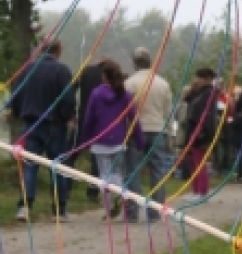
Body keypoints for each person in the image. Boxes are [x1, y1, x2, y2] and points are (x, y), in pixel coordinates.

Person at [8, 39, 77, 222]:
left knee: (30, 165)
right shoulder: (62, 70)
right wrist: (67, 116)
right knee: (57, 167)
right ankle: (59, 210)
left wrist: (18, 112)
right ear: (58, 50)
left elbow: (16, 94)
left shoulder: (27, 69)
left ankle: (25, 207)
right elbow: (68, 98)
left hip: (31, 123)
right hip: (55, 125)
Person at [81, 58, 145, 218]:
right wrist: (140, 140)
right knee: (117, 173)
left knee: (104, 175)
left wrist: (84, 140)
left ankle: (109, 207)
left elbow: (89, 118)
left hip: (100, 142)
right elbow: (134, 119)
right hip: (118, 142)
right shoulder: (125, 96)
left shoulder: (96, 94)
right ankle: (120, 196)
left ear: (104, 76)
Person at [124, 47, 174, 222]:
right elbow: (168, 113)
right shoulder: (163, 83)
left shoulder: (130, 83)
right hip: (158, 129)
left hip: (135, 131)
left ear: (134, 63)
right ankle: (155, 211)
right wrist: (169, 135)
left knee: (132, 170)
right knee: (158, 171)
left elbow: (126, 110)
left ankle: (132, 211)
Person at [178, 67, 219, 199]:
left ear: (207, 79)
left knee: (199, 163)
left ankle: (201, 191)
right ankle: (197, 189)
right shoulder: (203, 93)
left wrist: (200, 132)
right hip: (197, 131)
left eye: (199, 78)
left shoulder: (208, 94)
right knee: (195, 162)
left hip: (201, 132)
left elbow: (202, 114)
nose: (197, 80)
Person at [66, 60, 104, 202]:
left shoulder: (85, 71)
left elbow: (71, 88)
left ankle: (66, 187)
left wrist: (71, 112)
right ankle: (93, 190)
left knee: (71, 153)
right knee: (97, 156)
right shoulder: (107, 75)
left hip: (83, 117)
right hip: (100, 121)